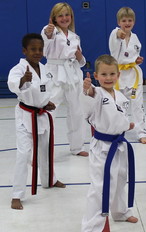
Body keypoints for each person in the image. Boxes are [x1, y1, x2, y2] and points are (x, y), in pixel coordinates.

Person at [80, 55, 138, 232]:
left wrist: (126, 125)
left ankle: (120, 212)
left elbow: (118, 117)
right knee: (100, 187)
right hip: (102, 147)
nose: (108, 77)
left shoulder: (119, 96)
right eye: (104, 74)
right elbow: (88, 110)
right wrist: (87, 91)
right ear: (96, 75)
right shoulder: (95, 93)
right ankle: (89, 229)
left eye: (112, 74)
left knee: (120, 179)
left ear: (118, 75)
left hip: (119, 143)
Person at [7, 33, 66, 210]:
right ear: (25, 50)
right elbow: (13, 85)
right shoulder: (18, 69)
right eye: (33, 49)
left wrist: (45, 102)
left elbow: (44, 89)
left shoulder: (44, 68)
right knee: (24, 154)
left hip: (41, 114)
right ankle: (16, 195)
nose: (37, 52)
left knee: (46, 150)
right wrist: (23, 81)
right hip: (26, 115)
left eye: (40, 49)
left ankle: (49, 179)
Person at [41, 2, 88, 157]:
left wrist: (80, 57)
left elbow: (80, 62)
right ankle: (43, 151)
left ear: (71, 17)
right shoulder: (51, 31)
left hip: (73, 74)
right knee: (49, 111)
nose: (64, 18)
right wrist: (48, 32)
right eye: (60, 15)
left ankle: (77, 147)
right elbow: (46, 42)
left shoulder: (75, 36)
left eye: (67, 15)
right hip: (55, 74)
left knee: (77, 111)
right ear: (53, 18)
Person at [109, 7, 146, 144]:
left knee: (138, 104)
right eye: (124, 20)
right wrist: (119, 33)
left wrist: (136, 60)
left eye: (130, 20)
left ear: (134, 22)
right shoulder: (115, 33)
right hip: (119, 75)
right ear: (119, 22)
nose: (127, 23)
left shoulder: (135, 38)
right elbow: (117, 35)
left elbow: (133, 55)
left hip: (134, 74)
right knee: (120, 104)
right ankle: (119, 131)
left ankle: (142, 132)